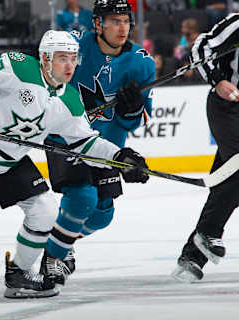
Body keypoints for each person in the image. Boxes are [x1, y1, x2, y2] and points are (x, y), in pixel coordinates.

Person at [0, 29, 150, 298]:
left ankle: (18, 274)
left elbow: (85, 142)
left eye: (73, 59)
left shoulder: (70, 101)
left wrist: (120, 158)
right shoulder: (19, 67)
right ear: (45, 59)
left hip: (11, 159)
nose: (70, 66)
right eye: (62, 58)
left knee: (46, 213)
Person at [41, 0, 155, 286]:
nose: (122, 27)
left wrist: (130, 108)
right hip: (65, 138)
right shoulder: (74, 48)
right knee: (81, 199)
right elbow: (44, 77)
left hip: (106, 146)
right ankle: (52, 258)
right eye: (114, 21)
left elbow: (139, 119)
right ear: (97, 24)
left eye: (126, 20)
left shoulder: (141, 63)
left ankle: (57, 242)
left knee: (102, 215)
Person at [171, 13, 239, 282]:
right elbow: (202, 46)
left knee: (229, 179)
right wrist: (218, 80)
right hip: (228, 106)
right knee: (236, 171)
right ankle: (207, 234)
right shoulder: (237, 24)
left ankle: (192, 258)